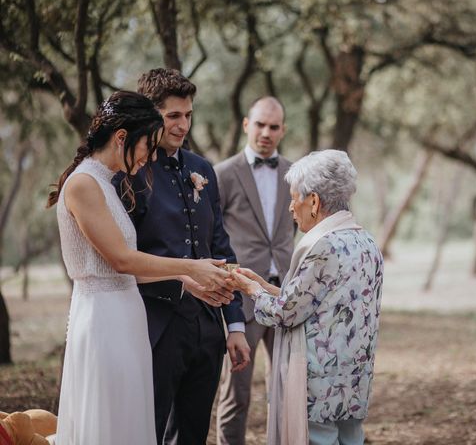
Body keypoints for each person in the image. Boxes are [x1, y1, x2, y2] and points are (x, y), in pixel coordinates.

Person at [49, 91, 230, 444]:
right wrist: (191, 267)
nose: (149, 155)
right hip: (104, 323)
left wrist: (185, 277)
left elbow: (125, 267)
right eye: (147, 144)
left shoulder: (105, 183)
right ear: (121, 139)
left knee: (130, 424)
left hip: (125, 319)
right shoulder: (85, 184)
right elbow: (121, 259)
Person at [117, 69, 251, 445]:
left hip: (207, 329)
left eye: (188, 115)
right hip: (155, 326)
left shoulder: (202, 169)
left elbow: (221, 248)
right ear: (151, 115)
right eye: (173, 116)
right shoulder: (129, 173)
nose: (183, 125)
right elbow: (123, 255)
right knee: (149, 429)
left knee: (192, 434)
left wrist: (235, 326)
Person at [228, 149, 384, 445]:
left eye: (293, 198)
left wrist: (252, 291)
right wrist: (263, 283)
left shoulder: (322, 246)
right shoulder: (366, 242)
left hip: (319, 385)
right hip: (353, 381)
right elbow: (315, 298)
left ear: (313, 202)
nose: (290, 208)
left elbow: (286, 313)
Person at [215, 97, 296, 445]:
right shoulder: (221, 174)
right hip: (244, 297)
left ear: (283, 131)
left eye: (274, 127)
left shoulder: (295, 173)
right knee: (238, 392)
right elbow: (211, 234)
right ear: (247, 124)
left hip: (288, 297)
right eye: (260, 124)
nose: (266, 133)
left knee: (291, 390)